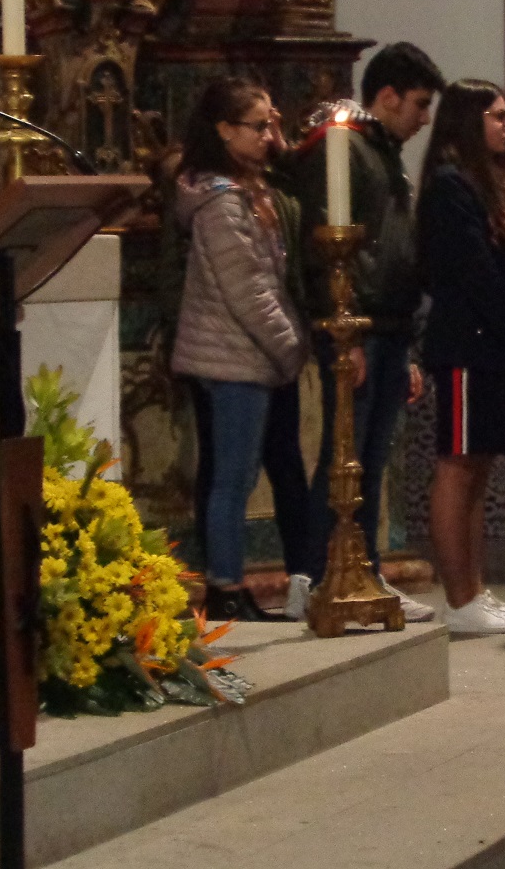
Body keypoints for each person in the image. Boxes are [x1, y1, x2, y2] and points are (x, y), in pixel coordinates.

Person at [286, 43, 445, 624]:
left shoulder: (384, 152)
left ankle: (366, 573)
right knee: (342, 459)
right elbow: (329, 252)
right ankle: (312, 578)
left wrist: (410, 345)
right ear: (388, 96)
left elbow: (396, 248)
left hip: (391, 325)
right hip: (358, 327)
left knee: (371, 462)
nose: (424, 119)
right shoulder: (344, 146)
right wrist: (345, 337)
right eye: (419, 104)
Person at [417, 80, 505, 634]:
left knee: (480, 468)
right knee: (459, 465)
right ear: (469, 121)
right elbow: (475, 274)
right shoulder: (449, 186)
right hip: (465, 345)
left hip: (491, 345)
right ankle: (459, 598)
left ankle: (474, 589)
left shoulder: (487, 182)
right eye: (498, 116)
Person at [171, 77, 307, 621]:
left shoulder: (246, 189)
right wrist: (290, 348)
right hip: (233, 357)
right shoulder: (221, 203)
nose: (269, 136)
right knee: (232, 479)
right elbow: (248, 291)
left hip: (242, 355)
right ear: (224, 130)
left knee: (238, 476)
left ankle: (229, 585)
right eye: (259, 126)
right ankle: (226, 588)